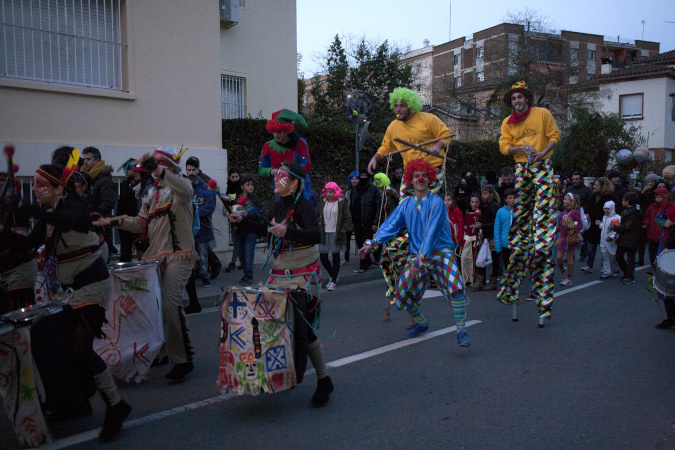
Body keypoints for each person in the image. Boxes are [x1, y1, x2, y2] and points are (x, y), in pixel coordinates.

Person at [29, 152, 131, 441]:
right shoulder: (51, 213)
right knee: (61, 345)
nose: (36, 189)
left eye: (41, 185)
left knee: (81, 346)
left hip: (92, 284)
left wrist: (33, 212)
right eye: (34, 185)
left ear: (60, 188)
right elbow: (28, 242)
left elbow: (69, 218)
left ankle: (116, 405)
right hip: (68, 290)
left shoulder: (74, 205)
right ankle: (75, 402)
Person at [228, 162, 334, 406]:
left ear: (295, 182)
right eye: (275, 175)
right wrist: (242, 220)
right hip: (279, 277)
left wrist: (288, 232)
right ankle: (278, 374)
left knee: (304, 332)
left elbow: (316, 235)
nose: (276, 179)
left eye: (282, 176)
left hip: (302, 278)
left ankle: (323, 380)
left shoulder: (305, 207)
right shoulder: (278, 205)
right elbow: (268, 230)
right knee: (274, 327)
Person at [103, 145, 197, 381]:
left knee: (169, 303)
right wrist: (114, 221)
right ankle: (161, 352)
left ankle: (183, 360)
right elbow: (140, 224)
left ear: (168, 168)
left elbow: (182, 187)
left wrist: (159, 170)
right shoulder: (151, 194)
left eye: (158, 167)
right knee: (154, 308)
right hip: (155, 257)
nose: (153, 173)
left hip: (180, 254)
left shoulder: (182, 187)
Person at [358, 158, 470, 346]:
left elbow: (431, 232)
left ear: (430, 179)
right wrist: (372, 242)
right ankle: (421, 323)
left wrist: (419, 261)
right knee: (401, 294)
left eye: (424, 176)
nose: (420, 179)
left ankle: (461, 330)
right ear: (411, 179)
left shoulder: (437, 203)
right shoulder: (406, 204)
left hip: (441, 252)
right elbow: (391, 225)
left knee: (456, 288)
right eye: (416, 176)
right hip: (417, 255)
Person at [367, 88, 453, 316]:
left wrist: (437, 147)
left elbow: (447, 134)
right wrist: (376, 158)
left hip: (431, 171)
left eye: (402, 105)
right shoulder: (394, 126)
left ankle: (426, 245)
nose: (398, 109)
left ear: (411, 106)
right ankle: (405, 242)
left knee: (423, 209)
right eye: (396, 105)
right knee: (406, 210)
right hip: (409, 173)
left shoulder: (428, 119)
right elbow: (387, 147)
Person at [496, 81, 561, 327]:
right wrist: (520, 147)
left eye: (519, 97)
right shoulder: (507, 122)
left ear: (527, 99)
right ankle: (522, 242)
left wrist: (542, 154)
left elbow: (554, 136)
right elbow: (503, 147)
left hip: (542, 164)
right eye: (513, 99)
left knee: (543, 210)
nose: (517, 101)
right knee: (521, 214)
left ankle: (542, 245)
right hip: (522, 166)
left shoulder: (542, 114)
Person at [259, 109, 312, 200]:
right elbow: (261, 169)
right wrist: (271, 171)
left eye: (279, 132)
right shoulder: (267, 146)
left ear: (287, 130)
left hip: (300, 189)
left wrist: (288, 172)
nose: (276, 135)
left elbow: (306, 166)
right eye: (274, 132)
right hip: (281, 190)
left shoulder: (300, 143)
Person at [80, 146, 117, 259]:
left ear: (97, 161)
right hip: (87, 227)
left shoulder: (104, 179)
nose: (85, 162)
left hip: (100, 226)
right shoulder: (83, 177)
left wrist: (92, 214)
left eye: (89, 159)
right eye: (84, 159)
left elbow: (108, 203)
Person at [186, 156, 216, 287]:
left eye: (193, 170)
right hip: (187, 229)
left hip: (202, 228)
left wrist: (195, 214)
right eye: (188, 170)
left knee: (203, 255)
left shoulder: (205, 187)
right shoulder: (184, 187)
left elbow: (210, 207)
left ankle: (204, 276)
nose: (191, 173)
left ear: (198, 169)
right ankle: (189, 277)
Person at [317, 182, 352, 291]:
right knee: (323, 257)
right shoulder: (322, 202)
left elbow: (348, 219)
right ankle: (334, 276)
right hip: (324, 233)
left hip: (336, 233)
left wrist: (343, 230)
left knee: (336, 257)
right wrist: (318, 222)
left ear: (335, 192)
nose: (328, 194)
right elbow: (316, 214)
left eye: (331, 192)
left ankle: (333, 281)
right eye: (327, 192)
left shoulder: (341, 203)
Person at [231, 174, 264, 286]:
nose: (250, 187)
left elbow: (259, 215)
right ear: (242, 186)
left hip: (251, 231)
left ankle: (249, 276)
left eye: (252, 185)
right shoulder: (237, 199)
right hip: (239, 231)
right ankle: (246, 274)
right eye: (248, 185)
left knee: (249, 255)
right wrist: (232, 216)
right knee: (241, 255)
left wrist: (246, 215)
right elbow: (233, 211)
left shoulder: (255, 199)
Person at [580, 177, 615, 275]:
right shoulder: (593, 196)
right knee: (591, 245)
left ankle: (604, 266)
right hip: (593, 224)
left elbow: (611, 212)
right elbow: (589, 207)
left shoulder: (609, 198)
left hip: (603, 224)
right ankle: (589, 265)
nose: (594, 187)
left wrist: (604, 220)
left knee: (604, 247)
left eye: (596, 185)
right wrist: (587, 214)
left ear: (603, 186)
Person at [349, 171, 381, 273]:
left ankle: (363, 265)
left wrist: (375, 222)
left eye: (365, 176)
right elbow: (352, 204)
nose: (363, 177)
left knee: (365, 242)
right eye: (361, 176)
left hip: (368, 221)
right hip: (357, 220)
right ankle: (368, 261)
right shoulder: (355, 189)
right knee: (359, 242)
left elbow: (379, 206)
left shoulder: (374, 189)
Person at [472, 184, 501, 291]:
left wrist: (482, 225)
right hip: (485, 235)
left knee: (494, 258)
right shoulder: (484, 206)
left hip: (493, 235)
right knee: (481, 256)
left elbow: (495, 223)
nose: (483, 196)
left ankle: (493, 281)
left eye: (485, 194)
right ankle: (480, 280)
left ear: (491, 194)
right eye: (482, 194)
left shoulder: (494, 206)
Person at [556, 193, 584, 286]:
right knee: (559, 258)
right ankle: (562, 270)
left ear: (571, 202)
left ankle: (569, 278)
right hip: (563, 237)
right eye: (564, 199)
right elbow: (560, 225)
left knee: (569, 258)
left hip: (571, 238)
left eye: (566, 199)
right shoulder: (563, 213)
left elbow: (580, 225)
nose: (564, 201)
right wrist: (551, 231)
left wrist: (574, 230)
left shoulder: (575, 213)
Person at [613, 191, 641, 284]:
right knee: (619, 256)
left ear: (627, 201)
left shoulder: (634, 213)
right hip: (624, 237)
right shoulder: (625, 211)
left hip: (631, 237)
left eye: (623, 200)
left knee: (630, 258)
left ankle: (630, 276)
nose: (622, 201)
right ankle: (627, 273)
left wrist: (616, 227)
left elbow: (627, 226)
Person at [566, 171, 594, 262]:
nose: (575, 181)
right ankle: (570, 255)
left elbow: (591, 202)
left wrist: (587, 213)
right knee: (570, 234)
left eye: (577, 179)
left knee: (582, 235)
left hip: (582, 215)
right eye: (573, 179)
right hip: (570, 214)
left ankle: (583, 254)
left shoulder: (587, 190)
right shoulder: (569, 189)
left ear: (581, 179)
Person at [116, 158, 140, 262]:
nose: (126, 171)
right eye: (125, 169)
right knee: (125, 252)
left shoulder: (142, 185)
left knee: (141, 250)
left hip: (138, 221)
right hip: (125, 223)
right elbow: (121, 205)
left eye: (129, 168)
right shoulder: (124, 185)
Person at [643, 187, 671, 266]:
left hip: (663, 235)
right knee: (652, 254)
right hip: (652, 234)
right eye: (656, 197)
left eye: (659, 197)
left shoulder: (667, 207)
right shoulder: (652, 206)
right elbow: (647, 216)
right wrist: (646, 223)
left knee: (662, 256)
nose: (657, 199)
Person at [223, 167, 243, 273]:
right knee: (237, 241)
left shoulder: (242, 188)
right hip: (233, 219)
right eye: (232, 177)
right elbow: (228, 203)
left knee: (237, 241)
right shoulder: (229, 188)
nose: (234, 179)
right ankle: (242, 262)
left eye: (236, 176)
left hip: (242, 219)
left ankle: (234, 263)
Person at [638, 173, 659, 266]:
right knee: (641, 241)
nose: (650, 184)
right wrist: (643, 192)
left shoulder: (655, 193)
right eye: (648, 182)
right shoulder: (644, 192)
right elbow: (639, 201)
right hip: (644, 216)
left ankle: (654, 259)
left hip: (653, 217)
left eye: (652, 182)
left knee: (652, 241)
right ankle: (640, 259)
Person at [461, 194, 482, 287]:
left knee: (474, 259)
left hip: (476, 239)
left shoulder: (480, 213)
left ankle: (474, 279)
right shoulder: (467, 212)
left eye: (476, 202)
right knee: (464, 258)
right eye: (472, 202)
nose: (474, 204)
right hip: (467, 238)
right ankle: (466, 278)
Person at [495, 188, 516, 275]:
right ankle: (509, 284)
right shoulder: (500, 212)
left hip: (517, 243)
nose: (512, 200)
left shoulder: (520, 211)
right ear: (505, 199)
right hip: (505, 243)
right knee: (507, 266)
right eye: (510, 198)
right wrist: (498, 246)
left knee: (516, 267)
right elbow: (497, 229)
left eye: (514, 198)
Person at [598, 200, 620, 279]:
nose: (606, 210)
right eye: (605, 209)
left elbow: (616, 230)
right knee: (605, 256)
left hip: (611, 242)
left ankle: (616, 269)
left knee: (612, 256)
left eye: (608, 209)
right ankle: (607, 272)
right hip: (603, 241)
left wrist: (611, 237)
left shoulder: (616, 218)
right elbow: (605, 227)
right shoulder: (605, 217)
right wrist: (600, 224)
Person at [342, 171, 359, 265]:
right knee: (347, 240)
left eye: (356, 178)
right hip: (349, 219)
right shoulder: (347, 191)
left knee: (360, 239)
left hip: (358, 218)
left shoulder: (361, 190)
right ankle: (346, 258)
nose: (354, 181)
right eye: (352, 179)